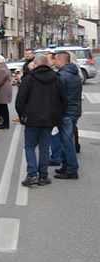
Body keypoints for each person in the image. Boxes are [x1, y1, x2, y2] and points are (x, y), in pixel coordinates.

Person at [15, 56, 66, 186]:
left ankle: (32, 174)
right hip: (50, 118)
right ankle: (43, 176)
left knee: (30, 146)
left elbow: (20, 100)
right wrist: (58, 116)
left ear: (36, 64)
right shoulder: (56, 78)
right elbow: (63, 100)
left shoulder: (29, 79)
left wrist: (22, 115)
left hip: (32, 118)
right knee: (44, 147)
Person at [53, 51, 83, 180]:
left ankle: (71, 169)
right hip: (74, 110)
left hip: (66, 112)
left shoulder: (63, 75)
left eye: (55, 60)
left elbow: (58, 95)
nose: (54, 62)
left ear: (61, 60)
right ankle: (66, 165)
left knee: (67, 141)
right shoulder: (73, 73)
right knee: (67, 139)